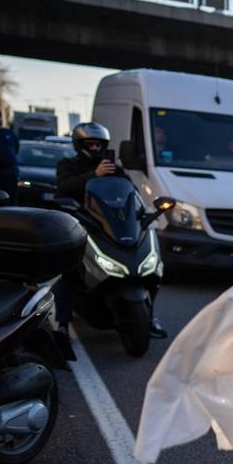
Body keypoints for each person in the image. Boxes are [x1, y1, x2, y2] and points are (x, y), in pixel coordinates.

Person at [56, 122, 167, 339]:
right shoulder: (68, 165)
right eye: (91, 144)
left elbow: (130, 194)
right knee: (69, 270)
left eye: (99, 144)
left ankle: (149, 316)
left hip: (113, 224)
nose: (96, 148)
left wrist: (141, 210)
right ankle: (62, 323)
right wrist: (93, 175)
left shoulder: (114, 168)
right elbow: (64, 187)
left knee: (149, 269)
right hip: (81, 221)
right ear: (79, 144)